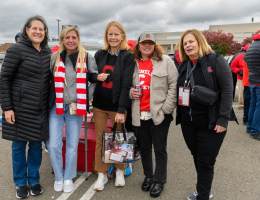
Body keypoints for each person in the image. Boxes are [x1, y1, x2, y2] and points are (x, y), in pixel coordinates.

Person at [176, 29, 234, 200]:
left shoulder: (215, 60)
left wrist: (223, 119)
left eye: (191, 41)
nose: (188, 45)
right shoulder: (184, 65)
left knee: (206, 162)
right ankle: (205, 189)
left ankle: (202, 195)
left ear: (200, 42)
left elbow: (227, 89)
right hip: (188, 122)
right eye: (185, 43)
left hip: (211, 122)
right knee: (197, 156)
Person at [0, 15, 52, 199]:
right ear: (27, 30)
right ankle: (20, 182)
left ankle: (34, 179)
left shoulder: (47, 52)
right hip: (19, 109)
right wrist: (7, 108)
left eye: (41, 28)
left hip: (40, 110)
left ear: (45, 32)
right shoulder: (16, 50)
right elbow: (4, 79)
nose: (38, 31)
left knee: (36, 146)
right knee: (19, 146)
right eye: (34, 28)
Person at [47, 25, 98, 193]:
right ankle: (58, 176)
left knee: (72, 145)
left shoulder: (86, 57)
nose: (70, 40)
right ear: (62, 39)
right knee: (53, 145)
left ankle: (68, 177)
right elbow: (50, 82)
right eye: (67, 37)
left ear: (78, 39)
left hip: (75, 108)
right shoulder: (55, 57)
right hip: (56, 107)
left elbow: (95, 79)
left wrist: (83, 98)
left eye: (74, 37)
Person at [130, 32, 178, 197]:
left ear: (154, 45)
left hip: (159, 114)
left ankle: (159, 181)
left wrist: (166, 109)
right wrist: (131, 92)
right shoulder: (133, 62)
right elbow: (127, 85)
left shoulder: (166, 61)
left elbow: (174, 85)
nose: (147, 46)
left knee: (159, 149)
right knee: (144, 148)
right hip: (139, 114)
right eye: (144, 43)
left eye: (150, 43)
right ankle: (148, 176)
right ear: (139, 45)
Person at [92, 21, 135, 191]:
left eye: (116, 34)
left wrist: (121, 110)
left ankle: (119, 171)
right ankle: (102, 174)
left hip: (117, 106)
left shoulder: (127, 56)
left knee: (119, 140)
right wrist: (96, 77)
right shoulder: (100, 54)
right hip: (99, 105)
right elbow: (90, 74)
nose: (113, 37)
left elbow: (126, 84)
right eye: (110, 34)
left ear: (122, 36)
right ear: (106, 36)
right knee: (100, 140)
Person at [245, 34, 260, 140]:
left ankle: (250, 127)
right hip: (259, 81)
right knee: (259, 106)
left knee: (253, 104)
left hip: (252, 80)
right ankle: (255, 131)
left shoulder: (250, 47)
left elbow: (245, 60)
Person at [241, 44, 251, 126]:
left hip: (246, 82)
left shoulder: (245, 56)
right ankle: (246, 118)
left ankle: (245, 118)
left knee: (247, 102)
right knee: (249, 102)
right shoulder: (247, 57)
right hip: (249, 82)